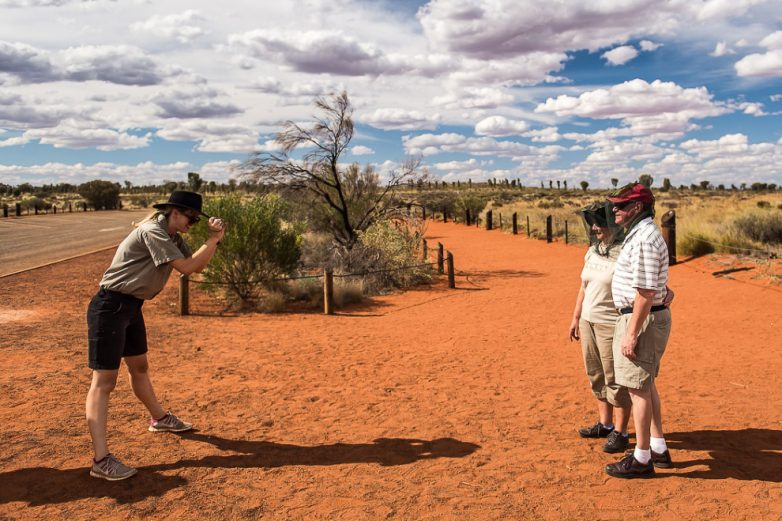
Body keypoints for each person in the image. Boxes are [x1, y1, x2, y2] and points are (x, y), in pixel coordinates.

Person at [85, 190, 225, 481]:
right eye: (190, 217)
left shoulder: (173, 237)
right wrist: (212, 240)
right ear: (174, 211)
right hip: (110, 306)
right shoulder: (152, 231)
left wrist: (213, 239)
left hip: (131, 306)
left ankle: (160, 419)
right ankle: (100, 460)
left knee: (140, 367)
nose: (192, 222)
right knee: (104, 382)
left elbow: (195, 266)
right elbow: (188, 266)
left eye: (196, 220)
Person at [604, 183, 673, 479]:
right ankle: (658, 448)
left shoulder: (643, 237)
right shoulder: (641, 233)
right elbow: (651, 283)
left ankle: (642, 458)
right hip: (643, 314)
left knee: (638, 388)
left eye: (621, 205)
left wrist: (632, 332)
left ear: (637, 207)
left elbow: (644, 292)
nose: (615, 210)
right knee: (645, 384)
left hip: (640, 317)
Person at [569, 203, 632, 454]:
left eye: (600, 223)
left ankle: (621, 431)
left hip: (611, 322)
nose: (595, 228)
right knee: (595, 374)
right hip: (588, 320)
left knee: (615, 377)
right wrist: (576, 317)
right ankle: (605, 424)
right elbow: (583, 286)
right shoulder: (592, 251)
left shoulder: (624, 253)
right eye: (593, 224)